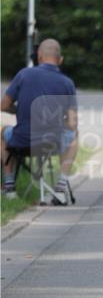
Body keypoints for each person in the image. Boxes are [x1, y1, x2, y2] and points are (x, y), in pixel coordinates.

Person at [1, 38, 78, 201]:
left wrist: (20, 110)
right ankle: (61, 185)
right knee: (74, 135)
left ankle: (9, 187)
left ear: (39, 56)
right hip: (52, 144)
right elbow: (72, 124)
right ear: (60, 60)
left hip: (21, 142)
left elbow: (3, 105)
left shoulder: (23, 74)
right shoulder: (67, 83)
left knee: (1, 131)